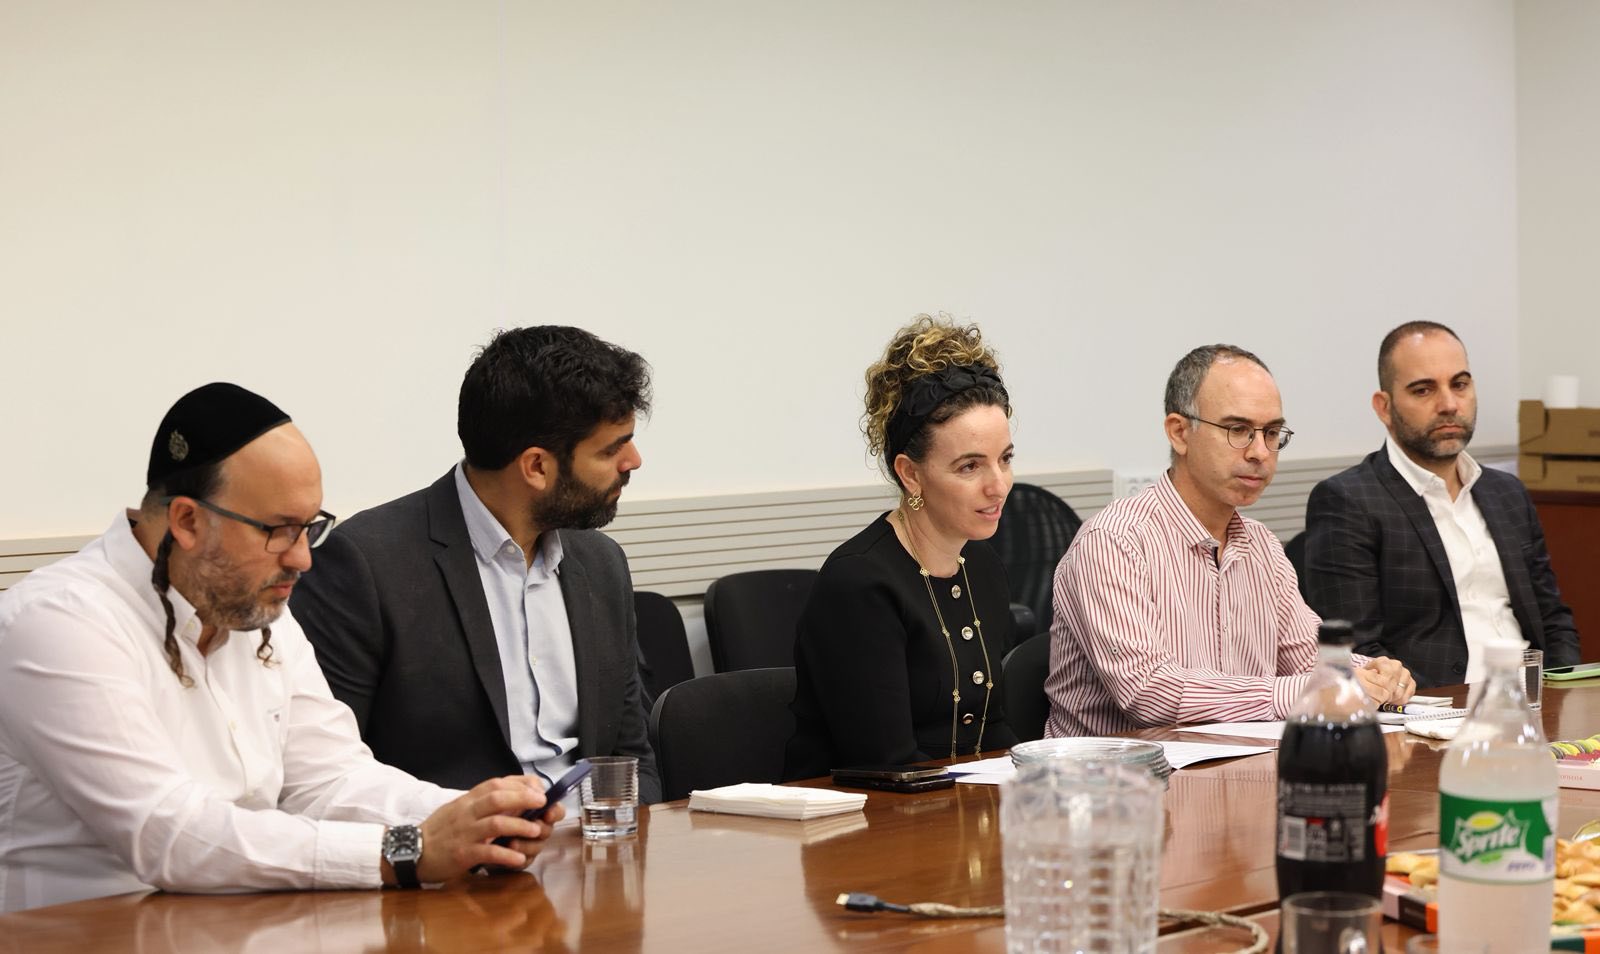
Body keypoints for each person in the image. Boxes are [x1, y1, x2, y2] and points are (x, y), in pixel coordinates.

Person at [0, 383, 561, 913]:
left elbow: (329, 779)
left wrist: (479, 818)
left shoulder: (252, 606)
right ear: (187, 521)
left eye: (309, 527)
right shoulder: (58, 622)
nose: (302, 558)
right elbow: (166, 832)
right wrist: (404, 850)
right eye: (279, 530)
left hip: (242, 923)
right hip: (91, 930)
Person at [292, 326, 661, 803]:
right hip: (456, 843)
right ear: (536, 466)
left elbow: (633, 759)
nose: (634, 461)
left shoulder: (600, 562)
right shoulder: (366, 564)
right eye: (612, 449)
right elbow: (328, 776)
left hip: (597, 841)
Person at [1045, 345, 1415, 737]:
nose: (1260, 453)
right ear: (1180, 432)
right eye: (1238, 430)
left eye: (1271, 433)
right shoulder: (1114, 542)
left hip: (1237, 762)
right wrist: (1312, 691)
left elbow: (1308, 657)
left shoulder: (1262, 545)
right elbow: (1148, 693)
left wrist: (1372, 675)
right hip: (1115, 771)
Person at [784, 315, 1019, 779]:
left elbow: (993, 729)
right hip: (871, 815)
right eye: (970, 467)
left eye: (1005, 459)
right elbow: (886, 765)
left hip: (968, 810)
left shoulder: (982, 565)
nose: (999, 486)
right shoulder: (860, 583)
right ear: (911, 474)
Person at [1304, 321, 1579, 688]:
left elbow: (1553, 619)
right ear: (1384, 407)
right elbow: (1357, 650)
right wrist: (1450, 705)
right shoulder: (1347, 501)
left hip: (1533, 698)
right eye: (1423, 390)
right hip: (1433, 707)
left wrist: (1563, 693)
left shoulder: (1507, 493)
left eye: (1460, 384)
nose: (1449, 404)